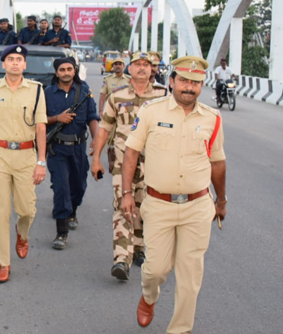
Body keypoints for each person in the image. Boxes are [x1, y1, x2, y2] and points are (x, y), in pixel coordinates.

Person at [121, 56, 226, 333]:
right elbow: (131, 151)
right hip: (158, 203)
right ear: (171, 82)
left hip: (197, 205)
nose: (188, 87)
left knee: (190, 275)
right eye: (183, 81)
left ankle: (180, 329)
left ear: (202, 85)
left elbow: (218, 162)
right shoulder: (151, 112)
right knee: (155, 269)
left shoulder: (213, 119)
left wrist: (221, 200)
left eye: (195, 83)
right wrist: (126, 193)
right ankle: (149, 296)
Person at [90, 52, 168, 280]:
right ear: (129, 69)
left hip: (155, 163)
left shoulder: (164, 96)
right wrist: (96, 159)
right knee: (122, 205)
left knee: (144, 207)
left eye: (147, 65)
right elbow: (104, 127)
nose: (142, 68)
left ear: (153, 68)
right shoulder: (117, 96)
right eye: (137, 64)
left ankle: (139, 247)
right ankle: (122, 259)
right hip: (123, 162)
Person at [0, 44, 47, 283]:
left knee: (26, 209)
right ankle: (4, 263)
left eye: (19, 59)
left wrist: (41, 162)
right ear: (3, 64)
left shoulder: (36, 90)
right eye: (11, 59)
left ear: (25, 64)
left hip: (26, 155)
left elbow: (41, 127)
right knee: (1, 212)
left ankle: (22, 233)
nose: (15, 62)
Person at [45, 57, 99, 250]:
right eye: (62, 70)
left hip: (78, 147)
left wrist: (96, 140)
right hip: (56, 148)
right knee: (61, 187)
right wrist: (56, 118)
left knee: (78, 185)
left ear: (74, 71)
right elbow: (40, 120)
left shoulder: (84, 92)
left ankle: (72, 210)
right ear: (56, 73)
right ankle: (61, 232)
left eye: (69, 69)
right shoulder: (47, 93)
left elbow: (92, 117)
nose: (66, 72)